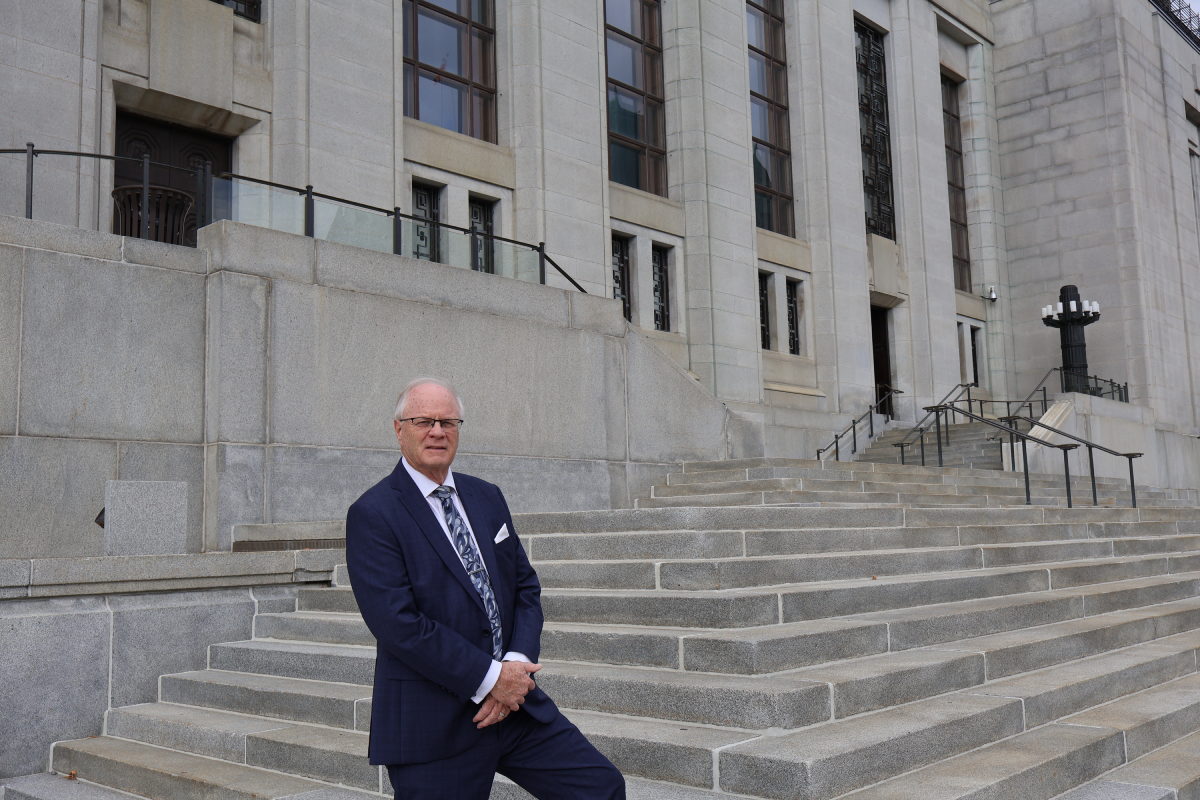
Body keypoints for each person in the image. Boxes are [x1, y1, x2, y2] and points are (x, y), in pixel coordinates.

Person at [345, 377, 626, 800]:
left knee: (601, 788)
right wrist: (490, 677)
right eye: (424, 421)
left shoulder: (486, 496)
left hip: (515, 707)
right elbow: (398, 625)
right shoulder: (374, 513)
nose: (437, 432)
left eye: (448, 422)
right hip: (434, 723)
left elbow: (525, 587)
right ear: (399, 429)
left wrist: (513, 666)